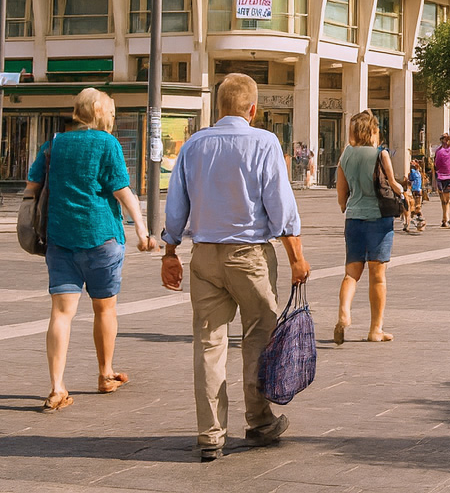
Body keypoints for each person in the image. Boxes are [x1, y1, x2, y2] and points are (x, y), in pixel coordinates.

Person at [161, 73, 308, 462]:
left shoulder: (194, 145)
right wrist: (296, 255)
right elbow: (280, 204)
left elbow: (176, 205)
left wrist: (170, 250)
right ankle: (259, 421)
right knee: (259, 336)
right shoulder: (264, 142)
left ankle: (210, 435)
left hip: (205, 254)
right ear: (252, 109)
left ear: (218, 107)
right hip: (250, 255)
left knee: (209, 344)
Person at [24, 88, 156, 412]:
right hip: (101, 239)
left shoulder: (53, 144)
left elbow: (31, 190)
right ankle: (105, 373)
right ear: (98, 110)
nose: (112, 117)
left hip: (59, 239)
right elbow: (122, 191)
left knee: (61, 313)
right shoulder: (106, 143)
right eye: (110, 111)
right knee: (105, 310)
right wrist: (141, 229)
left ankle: (57, 387)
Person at [335, 110, 402, 347]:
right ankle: (376, 329)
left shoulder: (346, 155)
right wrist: (404, 195)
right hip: (378, 219)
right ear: (372, 130)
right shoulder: (380, 153)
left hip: (353, 219)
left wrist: (346, 205)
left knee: (351, 273)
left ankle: (344, 312)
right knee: (378, 276)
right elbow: (392, 183)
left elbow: (341, 192)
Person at [432, 133, 450, 228]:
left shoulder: (438, 150)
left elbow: (435, 164)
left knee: (444, 199)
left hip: (441, 177)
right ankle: (445, 217)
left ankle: (446, 217)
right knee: (446, 199)